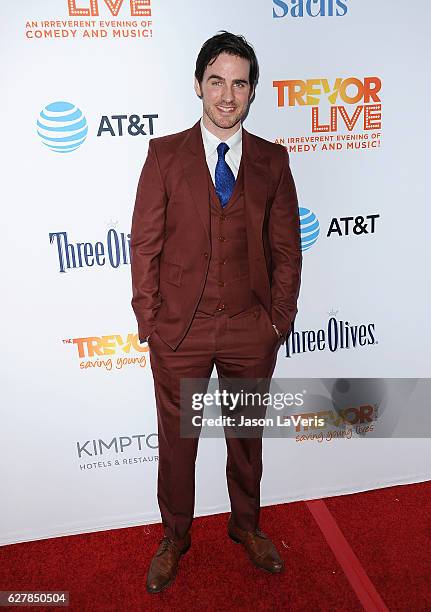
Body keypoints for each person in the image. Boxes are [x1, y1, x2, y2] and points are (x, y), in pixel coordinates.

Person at [130, 31, 302, 594]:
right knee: (177, 445)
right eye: (217, 81)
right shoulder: (164, 155)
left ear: (253, 92)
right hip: (179, 330)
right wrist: (149, 320)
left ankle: (246, 525)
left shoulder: (273, 161)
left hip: (251, 329)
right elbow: (145, 244)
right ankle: (175, 536)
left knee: (245, 439)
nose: (228, 95)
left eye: (240, 83)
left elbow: (285, 250)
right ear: (199, 85)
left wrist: (278, 321)